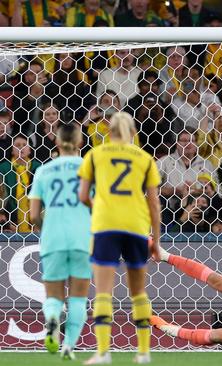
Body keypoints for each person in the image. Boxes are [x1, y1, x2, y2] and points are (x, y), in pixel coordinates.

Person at [77, 112, 162, 365]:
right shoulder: (145, 158)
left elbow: (82, 195)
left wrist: (99, 207)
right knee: (138, 292)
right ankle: (144, 353)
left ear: (108, 130)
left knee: (103, 292)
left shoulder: (95, 155)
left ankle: (103, 353)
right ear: (133, 131)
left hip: (106, 225)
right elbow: (154, 203)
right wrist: (155, 240)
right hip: (136, 225)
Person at [28, 124, 90, 361]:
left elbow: (33, 215)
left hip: (53, 238)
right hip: (81, 238)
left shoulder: (43, 171)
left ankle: (52, 319)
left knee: (53, 296)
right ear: (80, 143)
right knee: (78, 297)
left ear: (56, 142)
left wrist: (48, 227)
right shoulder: (89, 169)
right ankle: (68, 346)